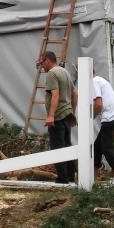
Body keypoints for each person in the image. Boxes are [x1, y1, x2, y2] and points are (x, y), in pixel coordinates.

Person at [38, 51, 78, 184]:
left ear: (47, 60)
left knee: (57, 148)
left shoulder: (52, 73)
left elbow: (55, 95)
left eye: (41, 62)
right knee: (67, 145)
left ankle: (62, 179)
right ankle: (71, 177)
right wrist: (72, 112)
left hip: (58, 116)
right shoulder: (64, 71)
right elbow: (75, 94)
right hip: (67, 114)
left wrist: (51, 116)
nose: (41, 66)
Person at [92, 70, 114, 179]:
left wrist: (90, 117)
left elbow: (98, 103)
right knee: (97, 148)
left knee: (107, 150)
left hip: (109, 119)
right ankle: (93, 179)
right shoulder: (101, 80)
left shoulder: (94, 81)